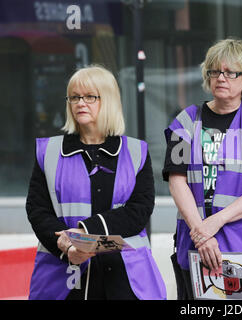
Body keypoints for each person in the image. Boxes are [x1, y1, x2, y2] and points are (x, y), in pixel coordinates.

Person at [163, 38, 242, 299]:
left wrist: (216, 222)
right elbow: (177, 182)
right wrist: (202, 234)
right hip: (195, 244)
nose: (221, 78)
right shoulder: (185, 121)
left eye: (231, 72)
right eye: (215, 71)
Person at [26, 65, 166, 300]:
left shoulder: (135, 151)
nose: (80, 103)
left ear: (109, 100)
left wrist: (84, 233)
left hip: (126, 276)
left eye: (90, 96)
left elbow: (139, 210)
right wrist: (69, 247)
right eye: (74, 97)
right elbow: (37, 210)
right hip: (65, 277)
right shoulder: (48, 151)